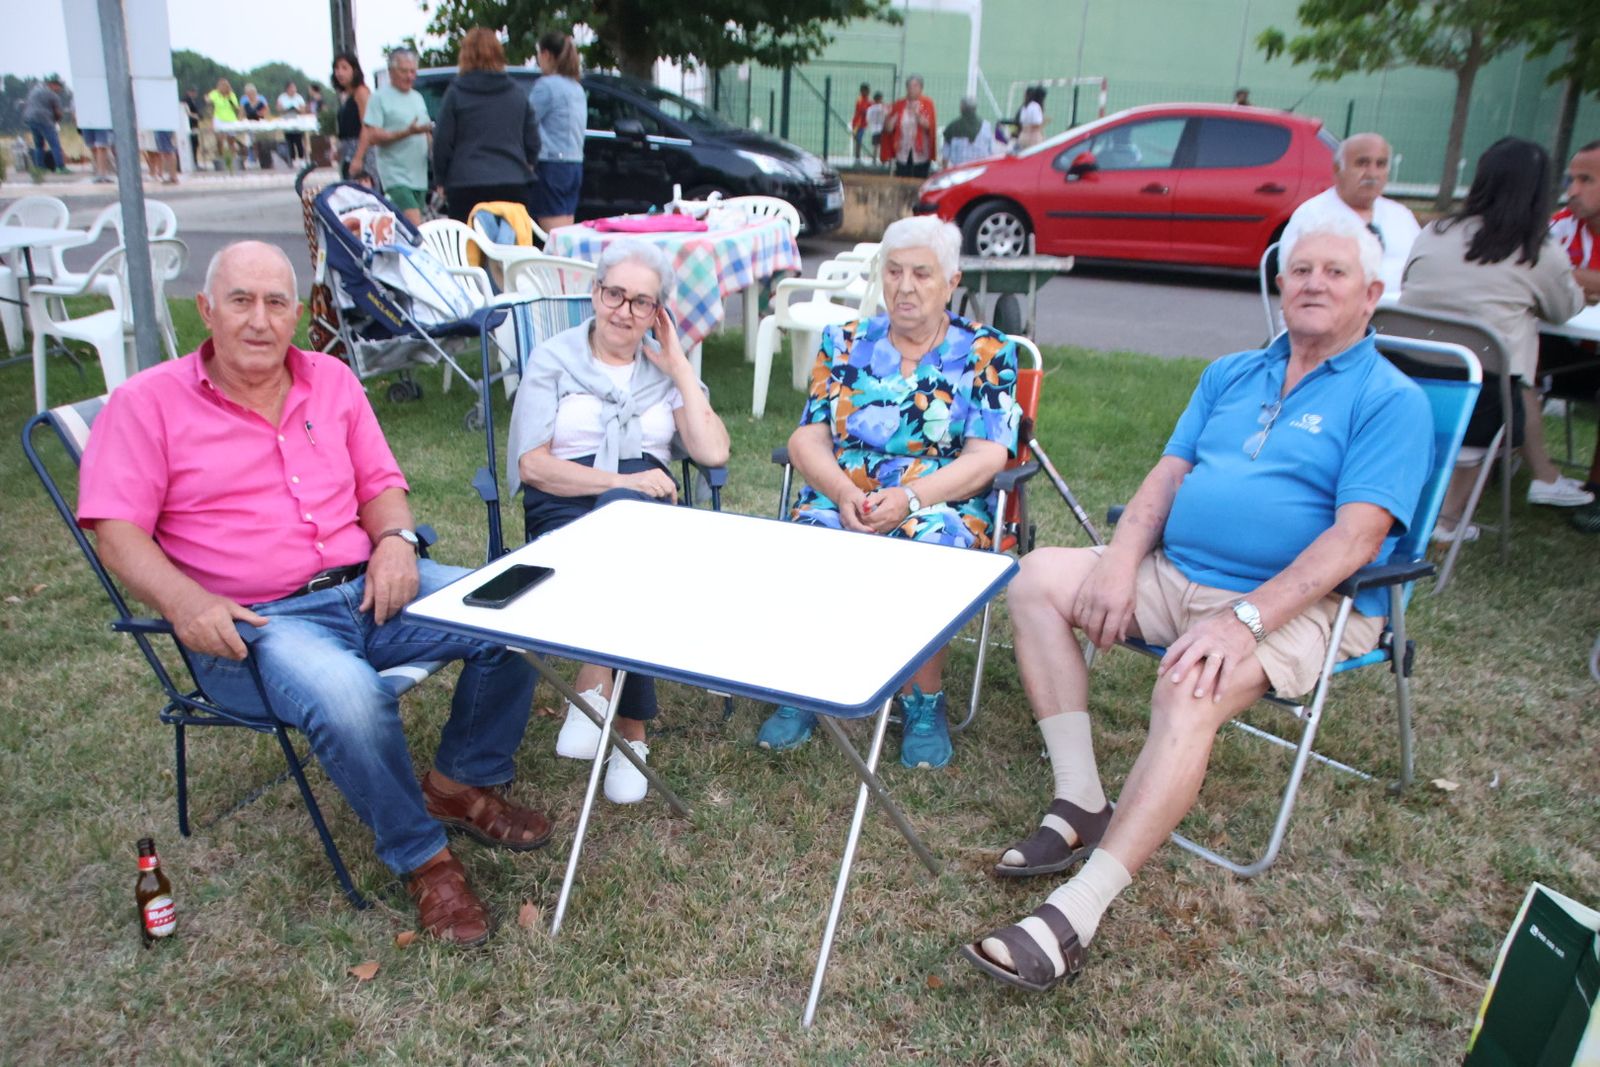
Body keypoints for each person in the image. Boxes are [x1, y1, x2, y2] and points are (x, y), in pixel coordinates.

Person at [959, 205, 1433, 993]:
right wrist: (1118, 562)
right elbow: (1167, 477)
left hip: (1301, 604)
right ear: (1280, 284)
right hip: (1176, 570)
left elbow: (1354, 541)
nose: (1314, 284)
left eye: (1335, 272)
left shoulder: (1391, 399)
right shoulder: (1233, 373)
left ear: (1372, 292)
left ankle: (1077, 910)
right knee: (1039, 575)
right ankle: (1080, 799)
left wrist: (1244, 619)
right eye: (1301, 270)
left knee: (1191, 681)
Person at [75, 241, 551, 946]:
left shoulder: (330, 379)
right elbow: (116, 531)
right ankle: (424, 857)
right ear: (206, 310)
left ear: (296, 312)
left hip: (369, 589)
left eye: (275, 302)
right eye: (240, 300)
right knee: (350, 695)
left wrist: (395, 541)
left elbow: (382, 486)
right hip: (257, 624)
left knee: (521, 610)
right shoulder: (147, 404)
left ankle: (460, 779)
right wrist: (184, 602)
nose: (259, 319)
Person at [755, 216, 1020, 767]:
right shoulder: (845, 340)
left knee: (927, 553)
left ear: (951, 280)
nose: (905, 286)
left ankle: (923, 701)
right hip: (844, 492)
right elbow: (808, 435)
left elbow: (989, 455)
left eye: (922, 273)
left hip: (942, 501)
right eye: (894, 271)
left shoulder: (987, 351)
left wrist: (913, 497)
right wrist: (841, 490)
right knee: (809, 539)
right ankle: (805, 684)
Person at [506, 240, 730, 803]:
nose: (624, 311)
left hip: (646, 518)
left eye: (641, 302)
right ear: (595, 293)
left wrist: (679, 367)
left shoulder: (661, 370)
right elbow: (533, 465)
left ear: (658, 313)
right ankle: (632, 736)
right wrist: (621, 483)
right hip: (567, 508)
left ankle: (594, 688)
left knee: (626, 527)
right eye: (614, 294)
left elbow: (713, 452)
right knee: (619, 526)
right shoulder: (553, 360)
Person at [1400, 137, 1590, 528]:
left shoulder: (1434, 231)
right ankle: (1450, 518)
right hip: (1482, 403)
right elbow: (1564, 308)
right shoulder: (1537, 250)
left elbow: (1408, 281)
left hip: (1403, 381)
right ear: (1540, 191)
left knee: (1508, 338)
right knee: (1516, 346)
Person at [1542, 141, 1600, 531]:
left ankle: (1595, 492)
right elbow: (1535, 270)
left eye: (1586, 180)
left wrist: (1575, 279)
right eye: (1571, 178)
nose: (1572, 190)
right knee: (1514, 354)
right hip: (1562, 353)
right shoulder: (1562, 224)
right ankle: (1493, 463)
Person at [1286, 132, 1421, 294]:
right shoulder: (1312, 215)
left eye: (1381, 164)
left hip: (1399, 314)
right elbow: (1295, 282)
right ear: (1337, 169)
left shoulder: (1402, 217)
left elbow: (1424, 272)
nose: (1372, 174)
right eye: (1362, 163)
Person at [431, 28, 540, 223]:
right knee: (511, 251)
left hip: (466, 184)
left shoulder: (455, 93)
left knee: (467, 251)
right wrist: (526, 164)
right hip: (512, 182)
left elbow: (442, 141)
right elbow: (533, 140)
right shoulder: (516, 92)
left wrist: (441, 179)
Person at [353, 48, 433, 225]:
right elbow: (372, 134)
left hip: (419, 176)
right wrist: (406, 132)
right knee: (416, 227)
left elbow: (425, 130)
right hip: (396, 176)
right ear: (391, 71)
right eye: (404, 71)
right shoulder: (379, 98)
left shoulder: (418, 97)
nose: (410, 76)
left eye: (413, 71)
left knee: (408, 230)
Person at [529, 29, 586, 232]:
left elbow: (527, 123)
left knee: (553, 237)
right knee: (566, 229)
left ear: (545, 55)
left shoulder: (546, 86)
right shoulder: (576, 88)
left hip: (551, 164)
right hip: (574, 163)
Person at [881, 76, 937, 179]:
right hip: (903, 151)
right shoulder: (899, 104)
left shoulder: (926, 104)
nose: (912, 89)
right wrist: (886, 116)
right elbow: (889, 129)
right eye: (909, 86)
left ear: (921, 88)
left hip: (921, 153)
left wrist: (917, 114)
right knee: (902, 178)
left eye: (915, 86)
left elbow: (929, 126)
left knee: (920, 179)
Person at [332, 53, 373, 182]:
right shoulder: (345, 95)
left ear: (354, 70)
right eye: (337, 68)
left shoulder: (361, 92)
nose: (340, 73)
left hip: (360, 149)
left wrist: (359, 157)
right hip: (346, 150)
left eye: (344, 68)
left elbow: (367, 126)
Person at [22, 76, 68, 173]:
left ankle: (40, 168)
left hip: (30, 119)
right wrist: (56, 121)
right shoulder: (53, 95)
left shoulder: (34, 92)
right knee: (55, 144)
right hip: (44, 120)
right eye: (59, 86)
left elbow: (27, 105)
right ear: (53, 85)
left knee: (39, 144)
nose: (60, 89)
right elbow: (58, 113)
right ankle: (60, 167)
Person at [942, 95, 996, 169]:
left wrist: (944, 170)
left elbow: (945, 156)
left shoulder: (952, 127)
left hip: (959, 171)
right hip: (980, 170)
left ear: (961, 108)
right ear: (975, 108)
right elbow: (992, 152)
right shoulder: (986, 126)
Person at [207, 77, 243, 167]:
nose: (223, 87)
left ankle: (233, 157)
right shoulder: (215, 94)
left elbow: (235, 107)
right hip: (219, 118)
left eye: (225, 86)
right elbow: (209, 100)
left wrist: (228, 97)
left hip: (230, 119)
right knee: (219, 139)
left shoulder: (231, 95)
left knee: (231, 140)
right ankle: (221, 156)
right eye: (221, 85)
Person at [277, 80, 307, 162]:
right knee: (289, 141)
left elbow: (303, 109)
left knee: (298, 141)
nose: (293, 89)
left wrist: (297, 109)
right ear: (287, 89)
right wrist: (285, 109)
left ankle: (301, 158)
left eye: (294, 87)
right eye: (291, 88)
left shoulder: (299, 97)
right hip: (287, 122)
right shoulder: (282, 97)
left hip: (297, 122)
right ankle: (292, 158)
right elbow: (279, 108)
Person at [1016, 87, 1046, 151]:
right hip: (1032, 137)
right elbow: (1036, 124)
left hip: (1023, 135)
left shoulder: (1024, 107)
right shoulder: (1035, 106)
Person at [181, 87, 203, 167]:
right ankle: (192, 162)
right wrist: (195, 116)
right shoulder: (185, 101)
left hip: (195, 125)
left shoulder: (194, 101)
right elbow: (186, 113)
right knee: (191, 144)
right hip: (189, 125)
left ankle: (195, 161)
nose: (194, 93)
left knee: (195, 144)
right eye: (193, 91)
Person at [851, 83, 872, 163]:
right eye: (867, 91)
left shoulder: (868, 100)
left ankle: (857, 157)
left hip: (863, 124)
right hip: (857, 124)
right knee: (858, 140)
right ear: (862, 91)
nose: (868, 92)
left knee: (859, 140)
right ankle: (857, 157)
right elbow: (863, 110)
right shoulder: (860, 100)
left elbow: (871, 107)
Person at [865, 92, 887, 164]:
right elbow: (886, 116)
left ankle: (874, 160)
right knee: (883, 146)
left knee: (875, 146)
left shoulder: (870, 109)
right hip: (882, 129)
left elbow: (868, 119)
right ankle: (883, 160)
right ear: (881, 99)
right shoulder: (883, 108)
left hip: (874, 129)